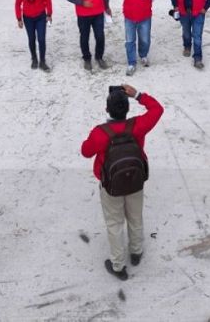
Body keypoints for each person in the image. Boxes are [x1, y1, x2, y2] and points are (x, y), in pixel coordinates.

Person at [80, 84, 163, 281]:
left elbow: (85, 151)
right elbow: (157, 109)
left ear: (107, 109)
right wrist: (138, 95)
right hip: (135, 181)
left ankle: (118, 265)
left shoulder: (100, 133)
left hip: (110, 186)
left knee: (114, 223)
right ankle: (136, 252)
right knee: (135, 217)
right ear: (127, 109)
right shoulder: (137, 126)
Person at [119, 0, 158, 76]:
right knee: (130, 40)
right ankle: (131, 63)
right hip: (129, 17)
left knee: (144, 39)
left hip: (144, 17)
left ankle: (143, 55)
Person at [15, 0, 53, 71]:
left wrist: (49, 14)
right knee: (31, 39)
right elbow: (18, 4)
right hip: (28, 18)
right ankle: (34, 59)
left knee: (41, 39)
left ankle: (42, 61)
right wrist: (19, 18)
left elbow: (48, 0)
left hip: (41, 17)